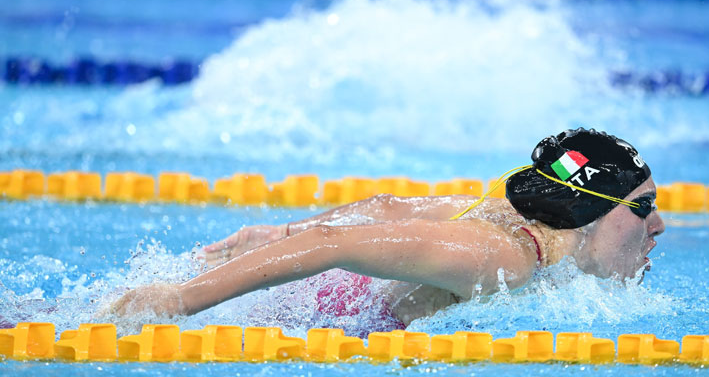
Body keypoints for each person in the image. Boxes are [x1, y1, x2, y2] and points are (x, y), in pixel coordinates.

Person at [108, 129, 665, 328]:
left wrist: (279, 234)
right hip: (325, 315)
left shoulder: (517, 218)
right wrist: (181, 299)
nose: (658, 225)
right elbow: (334, 244)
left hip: (329, 298)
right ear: (590, 212)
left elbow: (387, 207)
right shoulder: (503, 259)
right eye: (642, 208)